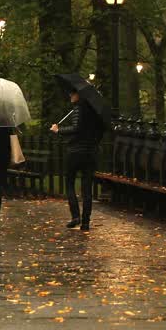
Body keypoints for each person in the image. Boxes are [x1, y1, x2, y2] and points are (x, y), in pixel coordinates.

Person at [52, 90, 104, 231]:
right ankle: (86, 222)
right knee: (87, 188)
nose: (70, 95)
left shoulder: (79, 109)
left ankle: (76, 216)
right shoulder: (96, 112)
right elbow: (101, 131)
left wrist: (58, 130)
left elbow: (76, 128)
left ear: (79, 95)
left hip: (75, 152)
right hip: (90, 153)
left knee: (69, 183)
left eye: (73, 93)